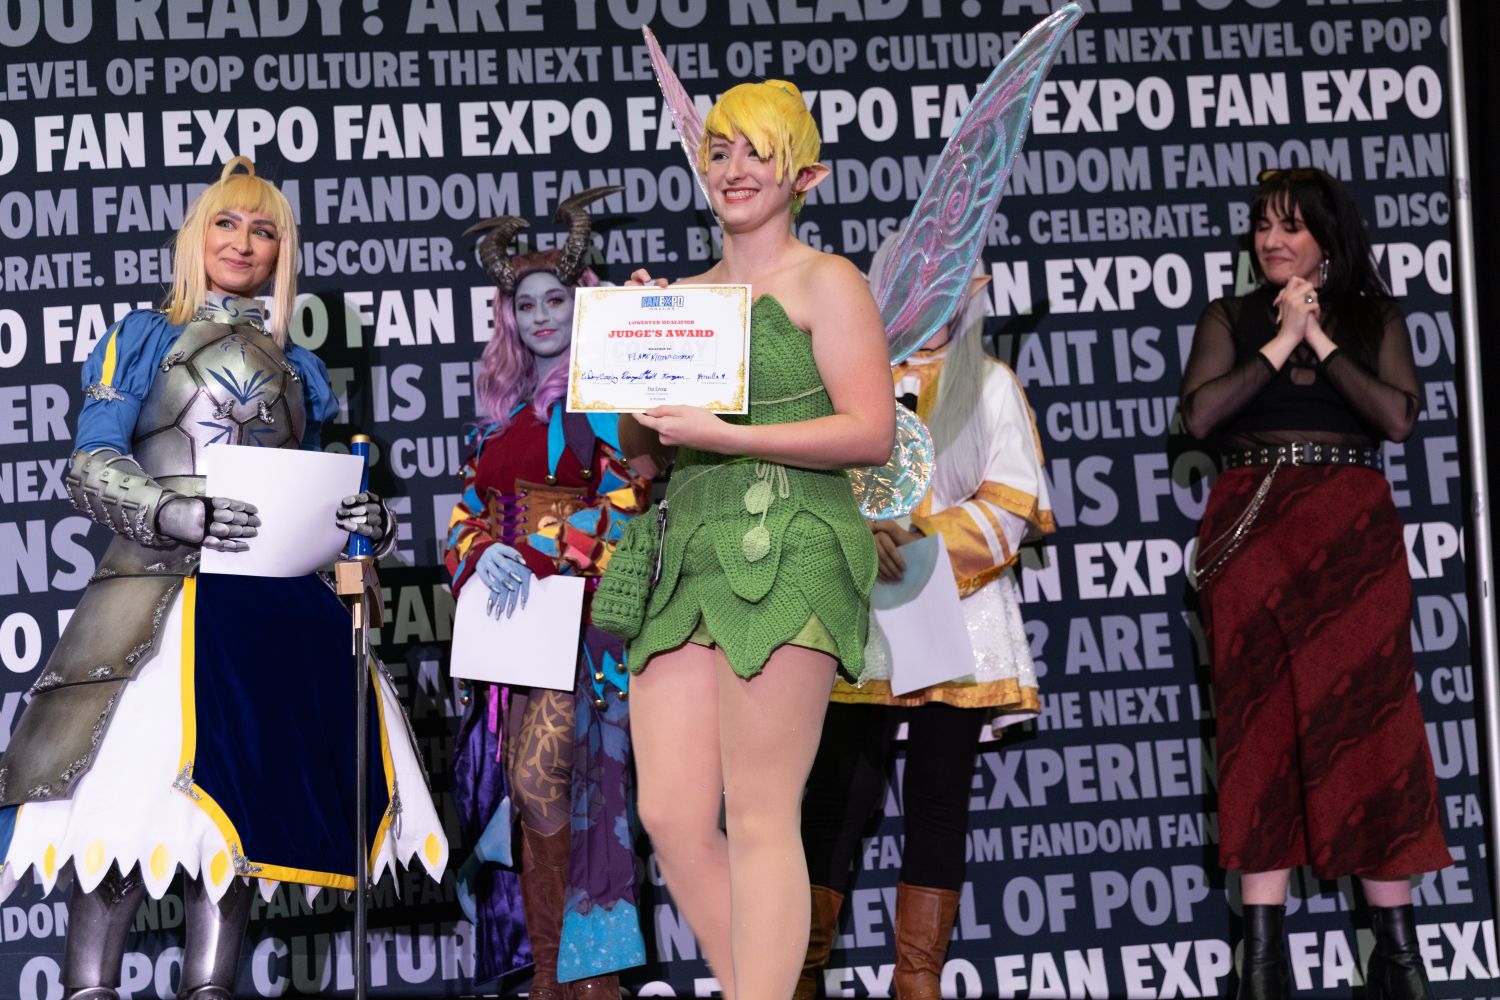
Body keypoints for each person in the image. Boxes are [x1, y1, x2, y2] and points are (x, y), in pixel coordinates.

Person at [0, 156, 447, 1000]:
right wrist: (172, 510)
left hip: (269, 613)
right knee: (123, 821)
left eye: (264, 228)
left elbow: (311, 500)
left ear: (284, 250)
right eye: (228, 223)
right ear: (196, 236)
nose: (244, 242)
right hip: (157, 603)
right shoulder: (141, 338)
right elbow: (88, 462)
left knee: (236, 832)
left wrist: (362, 523)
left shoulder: (301, 366)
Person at [607, 79, 895, 1000]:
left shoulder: (828, 280)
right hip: (686, 546)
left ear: (802, 172)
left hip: (794, 539)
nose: (734, 170)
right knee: (672, 812)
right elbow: (643, 452)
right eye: (721, 150)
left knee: (765, 812)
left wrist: (728, 434)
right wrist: (638, 352)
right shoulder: (683, 295)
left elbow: (869, 432)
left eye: (757, 153)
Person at [1180, 166, 1451, 1000]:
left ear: (1327, 240)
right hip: (1254, 527)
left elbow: (1398, 418)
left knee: (1372, 730)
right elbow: (1199, 417)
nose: (1273, 240)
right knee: (1258, 732)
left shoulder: (1374, 316)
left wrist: (1321, 339)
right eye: (1263, 225)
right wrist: (1279, 340)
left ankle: (1399, 964)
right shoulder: (1230, 317)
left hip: (1350, 531)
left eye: (1291, 226)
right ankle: (1261, 966)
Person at [796, 236, 1054, 1000]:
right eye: (918, 289)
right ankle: (801, 975)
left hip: (956, 614)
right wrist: (857, 534)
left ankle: (918, 984)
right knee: (836, 797)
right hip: (855, 612)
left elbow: (1010, 505)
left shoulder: (992, 385)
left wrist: (918, 541)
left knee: (939, 796)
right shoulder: (843, 385)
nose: (933, 308)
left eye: (948, 292)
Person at [443, 188, 650, 999]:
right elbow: (464, 516)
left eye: (555, 298)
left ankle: (589, 983)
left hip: (588, 622)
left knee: (566, 787)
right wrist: (476, 554)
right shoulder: (492, 425)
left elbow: (629, 500)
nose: (538, 315)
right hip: (509, 632)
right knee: (524, 796)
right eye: (522, 303)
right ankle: (553, 984)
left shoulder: (611, 399)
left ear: (583, 300)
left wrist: (528, 552)